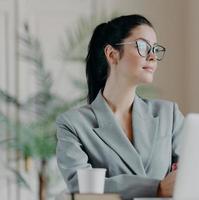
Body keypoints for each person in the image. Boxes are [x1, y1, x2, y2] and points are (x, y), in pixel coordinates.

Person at [56, 14, 184, 200]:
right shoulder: (73, 124)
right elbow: (82, 189)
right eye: (142, 46)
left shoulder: (168, 114)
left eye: (155, 48)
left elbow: (190, 175)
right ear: (112, 54)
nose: (152, 56)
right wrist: (156, 188)